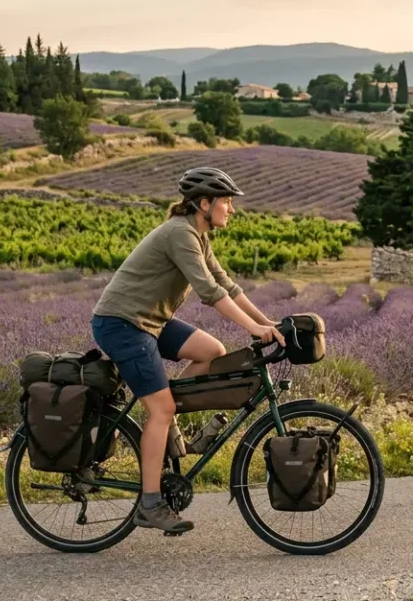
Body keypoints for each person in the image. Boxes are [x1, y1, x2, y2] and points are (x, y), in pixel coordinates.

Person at [90, 166, 285, 534]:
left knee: (210, 349)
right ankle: (150, 503)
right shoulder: (180, 234)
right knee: (160, 408)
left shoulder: (198, 235)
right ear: (204, 203)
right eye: (226, 202)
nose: (232, 209)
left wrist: (267, 324)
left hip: (149, 320)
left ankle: (168, 426)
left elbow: (227, 283)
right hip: (122, 324)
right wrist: (255, 329)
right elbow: (210, 293)